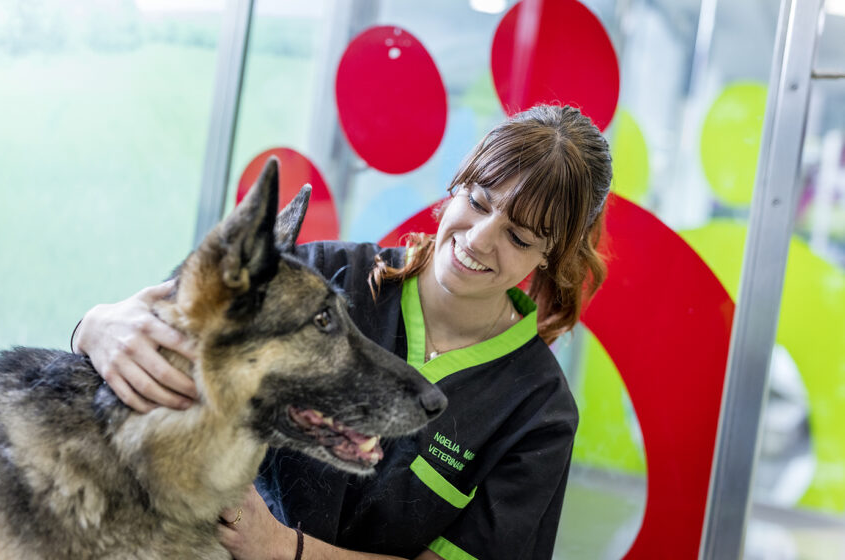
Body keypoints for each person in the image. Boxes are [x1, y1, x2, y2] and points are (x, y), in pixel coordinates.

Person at [73, 104, 612, 560]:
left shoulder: (538, 412)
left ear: (552, 257)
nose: (478, 238)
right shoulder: (324, 275)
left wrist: (286, 549)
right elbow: (167, 332)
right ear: (457, 186)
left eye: (518, 236)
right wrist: (95, 327)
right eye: (478, 200)